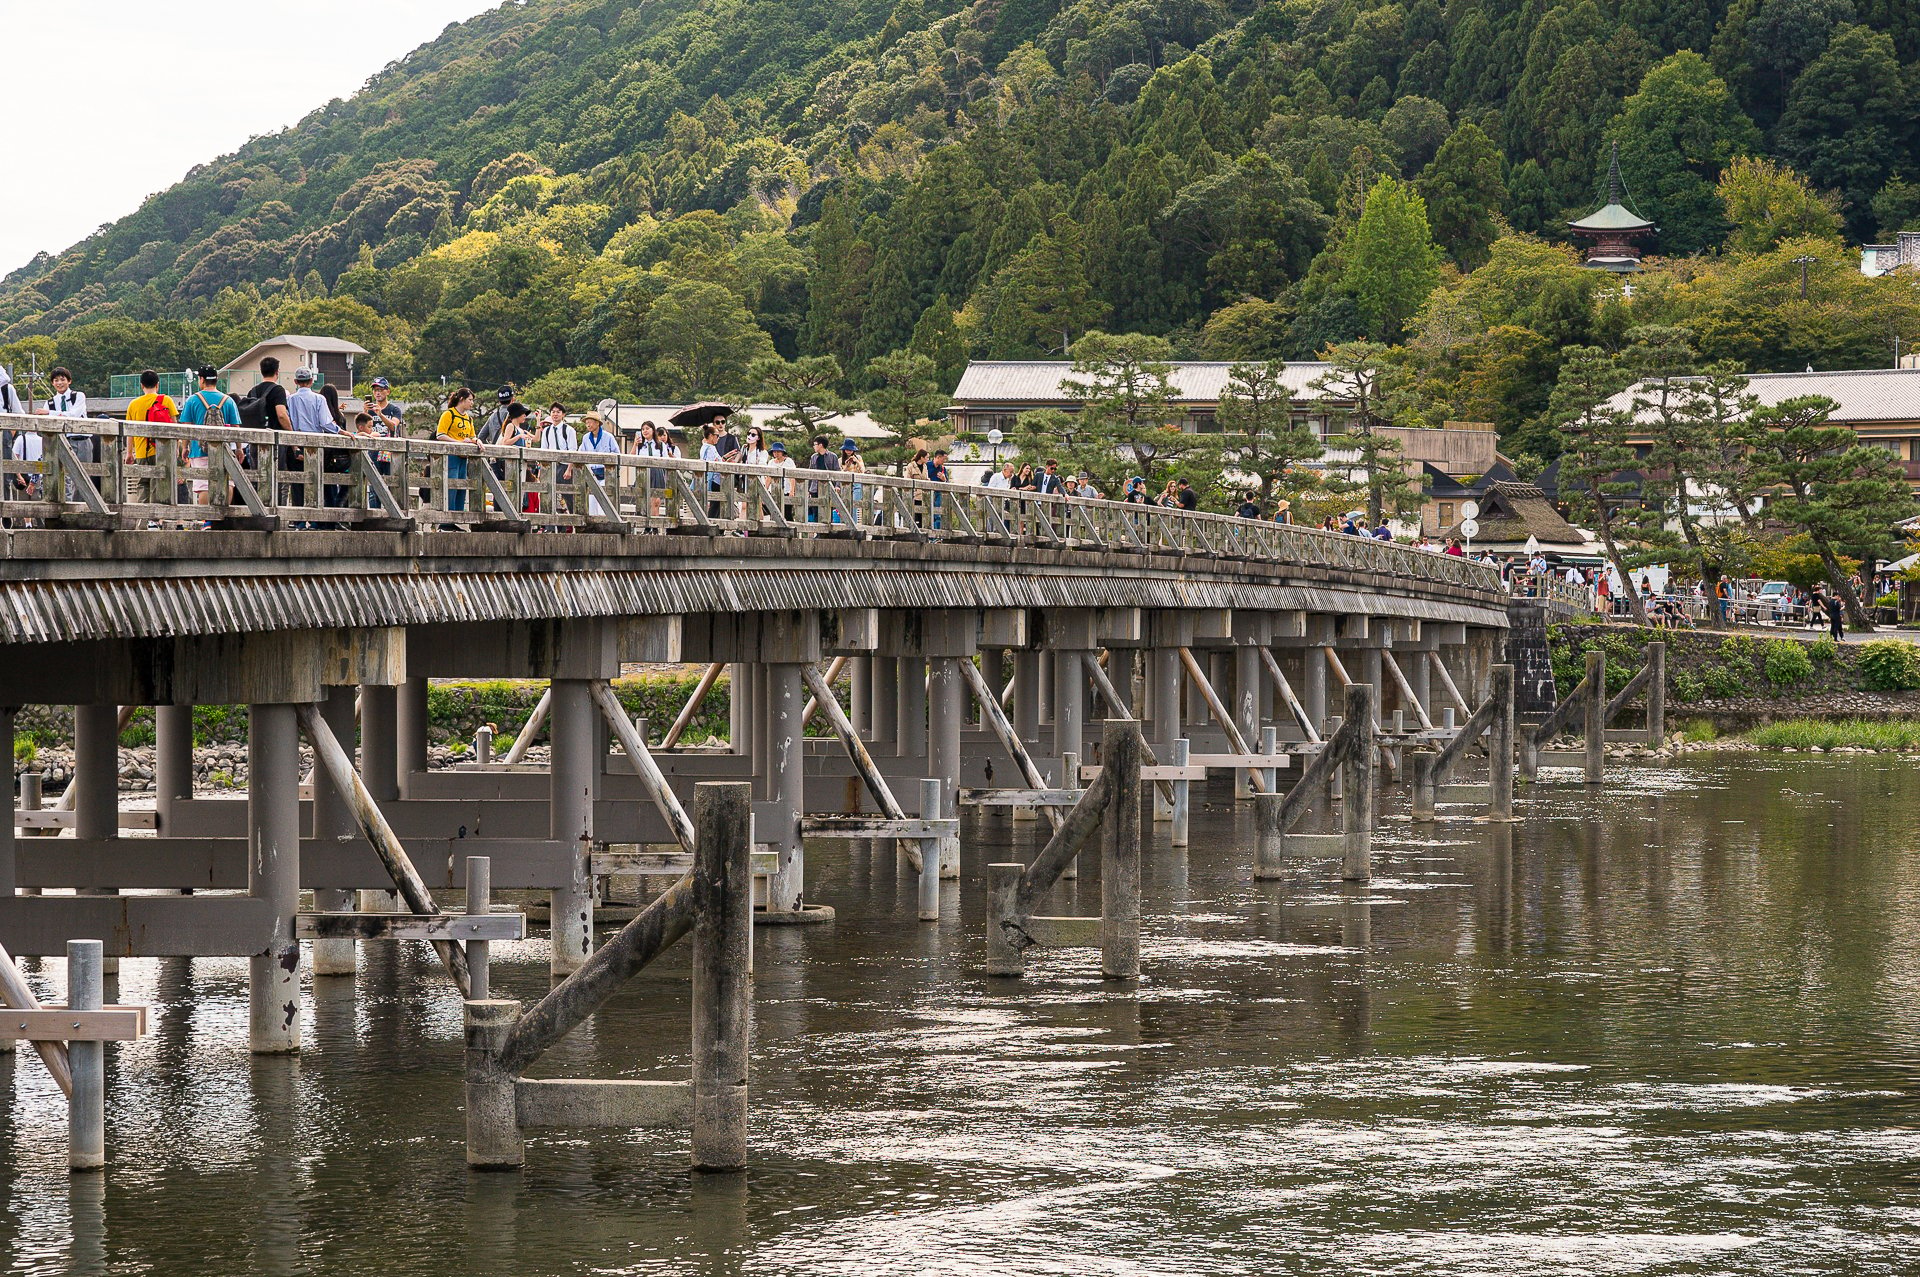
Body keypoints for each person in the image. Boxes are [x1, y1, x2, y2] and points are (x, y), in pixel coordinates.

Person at [177, 367, 240, 509]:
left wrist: (185, 447)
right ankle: (223, 516)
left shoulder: (193, 400)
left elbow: (187, 427)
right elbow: (236, 428)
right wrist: (239, 449)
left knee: (204, 485)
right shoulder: (228, 400)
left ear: (202, 379)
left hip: (199, 449)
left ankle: (207, 519)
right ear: (216, 380)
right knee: (227, 482)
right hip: (224, 449)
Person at [286, 367, 344, 518]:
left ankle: (298, 519)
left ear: (296, 382)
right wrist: (341, 431)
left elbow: (288, 421)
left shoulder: (290, 399)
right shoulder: (319, 399)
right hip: (316, 446)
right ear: (311, 381)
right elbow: (325, 423)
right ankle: (316, 519)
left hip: (296, 444)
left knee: (297, 483)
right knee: (316, 482)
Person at [123, 369, 179, 513]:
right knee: (158, 482)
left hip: (141, 451)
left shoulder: (133, 404)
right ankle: (155, 517)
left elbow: (129, 431)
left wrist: (129, 453)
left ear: (142, 385)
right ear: (157, 384)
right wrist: (176, 447)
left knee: (143, 483)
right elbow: (175, 425)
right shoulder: (166, 400)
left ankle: (143, 517)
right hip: (161, 450)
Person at [39, 366, 90, 501]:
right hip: (62, 441)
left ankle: (80, 510)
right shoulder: (49, 402)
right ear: (52, 383)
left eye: (62, 379)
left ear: (69, 381)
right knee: (63, 476)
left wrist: (50, 413)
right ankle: (65, 509)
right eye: (56, 380)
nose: (59, 383)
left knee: (83, 477)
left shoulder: (78, 396)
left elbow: (73, 415)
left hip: (81, 440)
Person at [436, 387, 476, 516]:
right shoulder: (449, 414)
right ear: (461, 399)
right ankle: (448, 518)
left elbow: (472, 435)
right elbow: (440, 434)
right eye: (470, 400)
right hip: (451, 455)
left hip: (463, 456)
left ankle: (458, 516)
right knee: (451, 486)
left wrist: (476, 441)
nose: (472, 403)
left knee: (462, 487)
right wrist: (458, 443)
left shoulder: (469, 418)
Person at [579, 411, 620, 517]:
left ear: (597, 423)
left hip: (605, 474)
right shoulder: (585, 438)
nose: (588, 425)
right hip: (591, 474)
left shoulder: (609, 437)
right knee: (592, 503)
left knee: (604, 502)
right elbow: (580, 454)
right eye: (586, 422)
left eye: (590, 422)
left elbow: (616, 454)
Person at [806, 434, 840, 521]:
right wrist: (807, 489)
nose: (814, 446)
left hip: (828, 487)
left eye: (815, 444)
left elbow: (837, 472)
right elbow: (811, 473)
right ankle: (819, 533)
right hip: (814, 487)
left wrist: (837, 485)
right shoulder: (813, 457)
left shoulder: (833, 456)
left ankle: (828, 533)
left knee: (828, 511)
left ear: (820, 445)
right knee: (816, 511)